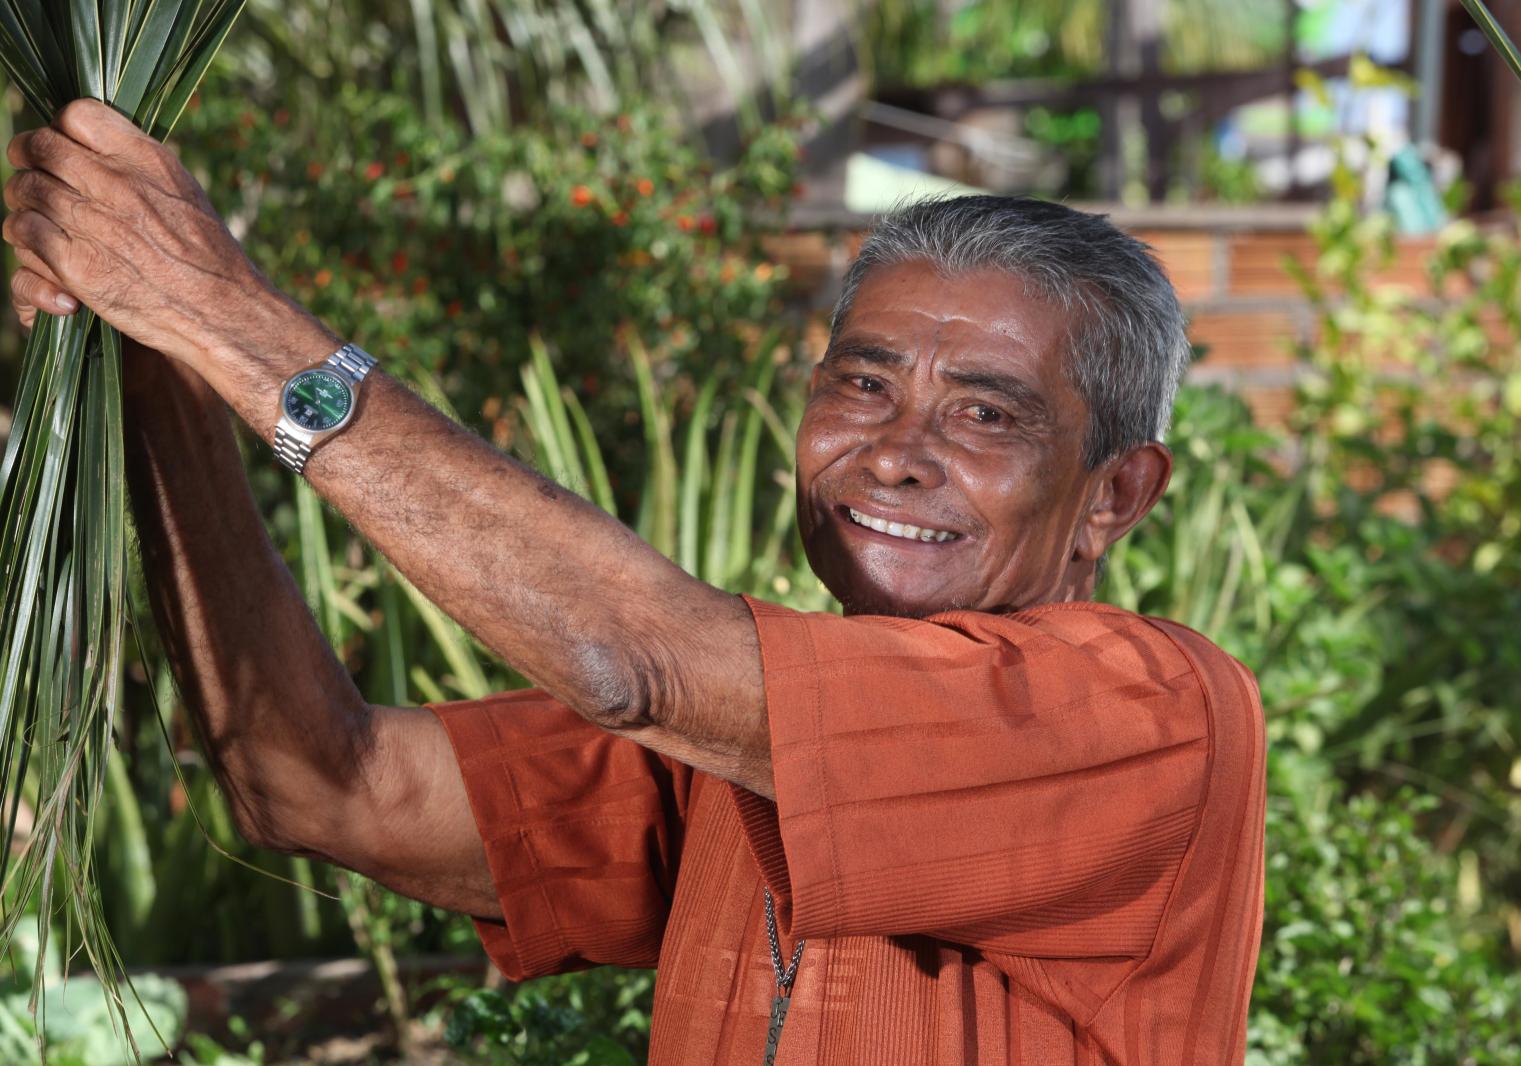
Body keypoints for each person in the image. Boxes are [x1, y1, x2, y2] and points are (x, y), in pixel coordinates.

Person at [3, 99, 1265, 1064]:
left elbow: (631, 655)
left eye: (988, 414)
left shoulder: (1148, 718)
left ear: (1114, 493)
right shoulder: (749, 746)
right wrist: (159, 345)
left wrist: (219, 307)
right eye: (862, 384)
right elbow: (321, 784)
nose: (895, 451)